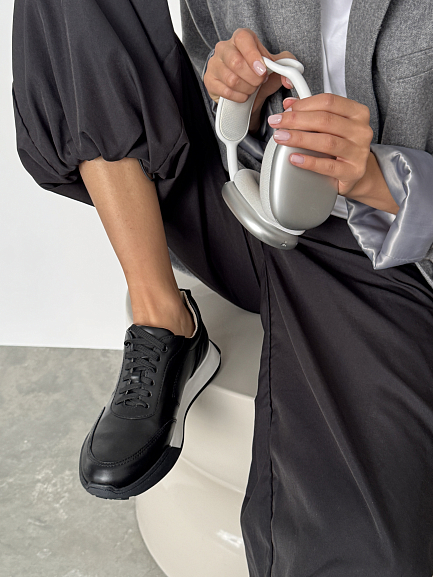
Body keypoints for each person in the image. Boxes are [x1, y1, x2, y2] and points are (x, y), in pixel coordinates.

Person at [11, 0, 433, 574]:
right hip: (238, 188)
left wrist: (382, 181)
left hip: (377, 256)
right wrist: (237, 99)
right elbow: (199, 63)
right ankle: (163, 319)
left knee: (369, 548)